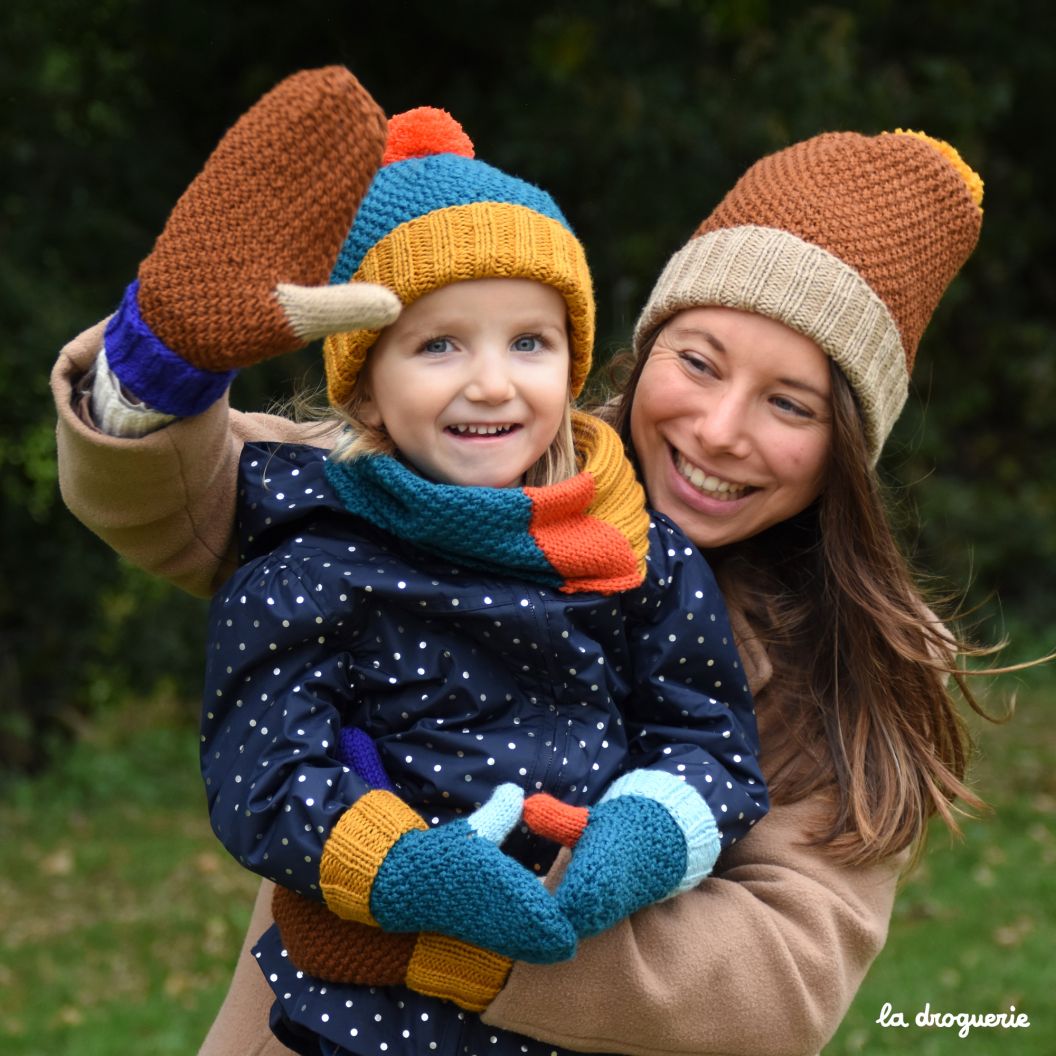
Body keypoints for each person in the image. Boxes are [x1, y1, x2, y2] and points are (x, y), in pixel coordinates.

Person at [52, 65, 993, 1056]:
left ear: (847, 449)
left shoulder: (840, 673)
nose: (720, 430)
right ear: (637, 349)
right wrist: (159, 370)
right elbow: (191, 496)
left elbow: (780, 987)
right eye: (700, 362)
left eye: (790, 404)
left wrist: (450, 943)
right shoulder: (449, 482)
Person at [194, 97, 766, 1055]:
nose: (493, 382)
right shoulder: (318, 555)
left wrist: (644, 836)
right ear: (366, 379)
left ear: (574, 361)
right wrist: (403, 866)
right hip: (367, 1021)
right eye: (439, 343)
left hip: (577, 1008)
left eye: (528, 342)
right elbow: (264, 768)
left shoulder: (635, 550)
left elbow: (708, 739)